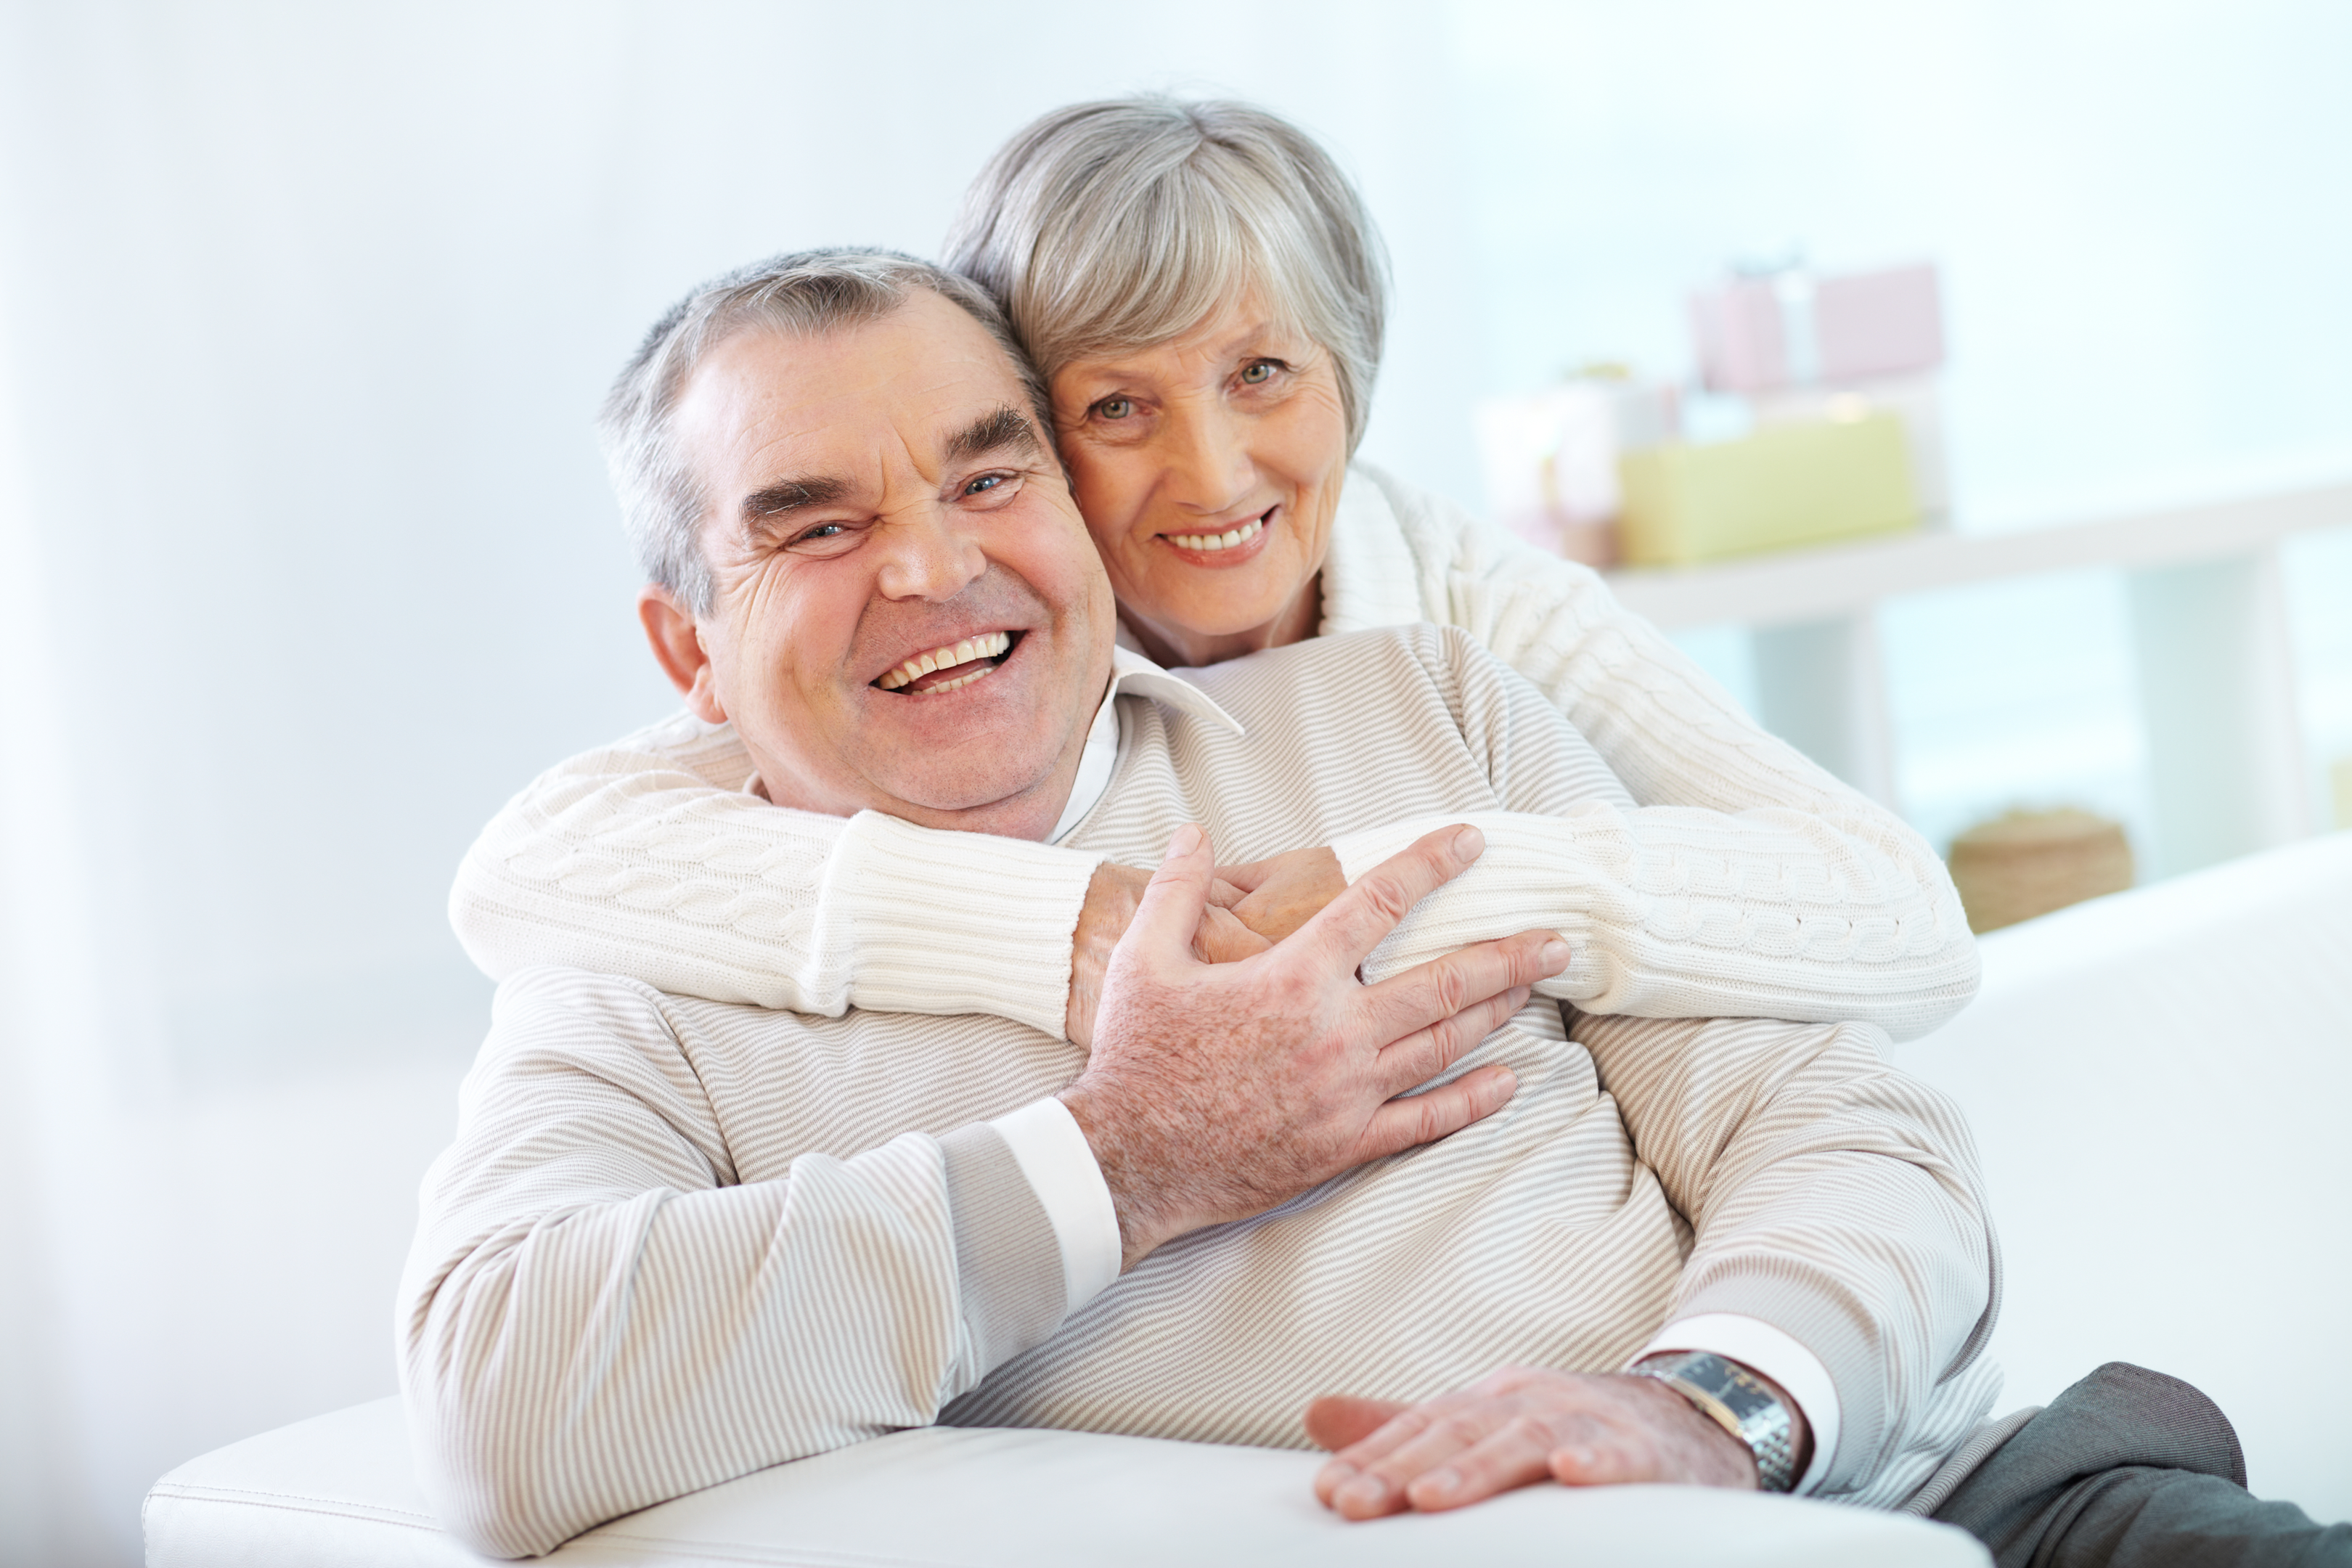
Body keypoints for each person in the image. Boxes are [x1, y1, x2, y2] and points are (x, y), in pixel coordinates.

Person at [404, 250, 2003, 1557]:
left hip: (1880, 1495)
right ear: (688, 654)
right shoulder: (643, 969)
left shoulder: (1428, 701)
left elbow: (1844, 1132)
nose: (929, 568)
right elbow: (500, 1398)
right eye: (818, 525)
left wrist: (1706, 1408)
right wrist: (1128, 1159)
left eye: (986, 475)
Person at [447, 97, 1980, 1056]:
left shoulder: (1466, 604)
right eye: (1118, 407)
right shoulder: (952, 650)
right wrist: (1071, 933)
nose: (1216, 474)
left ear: (1351, 378)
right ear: (1022, 436)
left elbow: (1903, 911)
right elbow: (526, 870)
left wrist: (1428, 888)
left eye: (1264, 372)